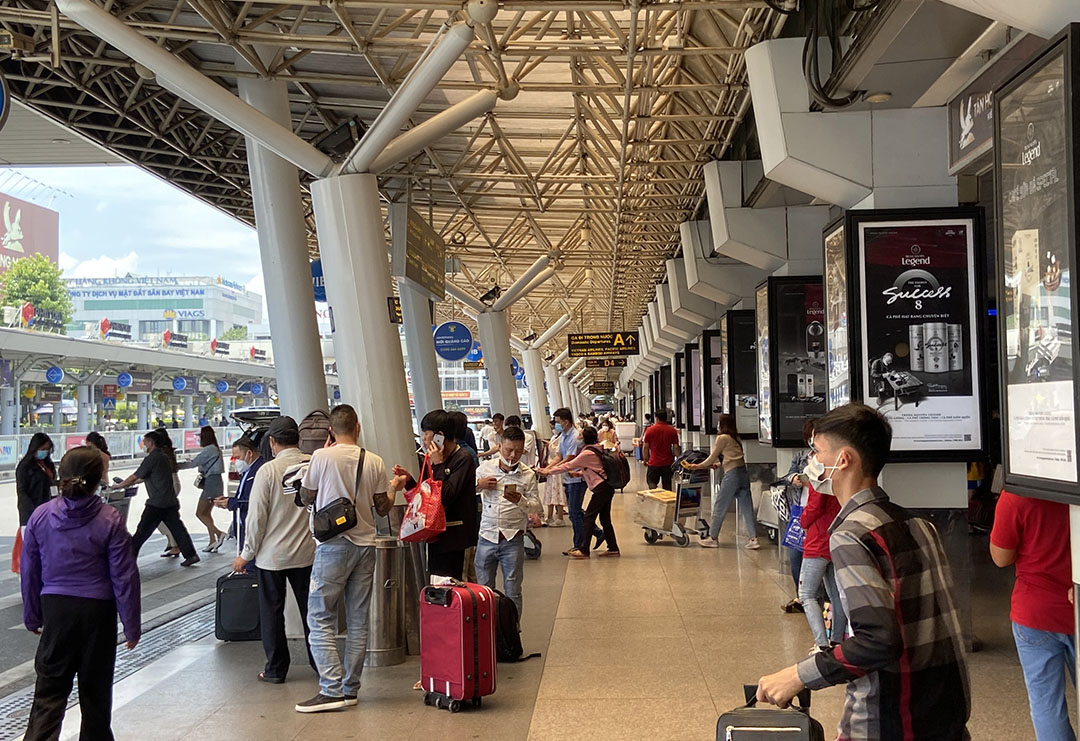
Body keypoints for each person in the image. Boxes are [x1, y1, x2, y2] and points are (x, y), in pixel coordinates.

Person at [756, 403, 970, 740]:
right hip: (944, 716)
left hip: (887, 721)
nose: (812, 461)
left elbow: (877, 640)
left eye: (817, 451)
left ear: (843, 460)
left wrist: (797, 676)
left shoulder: (852, 535)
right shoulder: (920, 525)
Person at [21, 446, 140, 740]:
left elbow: (30, 571)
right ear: (99, 477)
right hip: (97, 615)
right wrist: (131, 625)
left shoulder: (40, 516)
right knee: (95, 695)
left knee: (49, 693)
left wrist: (32, 616)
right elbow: (124, 576)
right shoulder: (110, 518)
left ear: (61, 475)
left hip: (56, 610)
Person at [296, 405, 394, 713]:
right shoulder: (374, 461)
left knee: (320, 617)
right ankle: (350, 689)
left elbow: (306, 497)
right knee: (357, 619)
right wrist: (394, 487)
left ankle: (330, 688)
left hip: (333, 546)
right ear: (358, 427)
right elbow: (382, 508)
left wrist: (324, 458)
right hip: (366, 546)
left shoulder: (321, 457)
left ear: (330, 431)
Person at [233, 416, 317, 685]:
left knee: (271, 612)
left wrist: (246, 554)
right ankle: (320, 664)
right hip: (307, 553)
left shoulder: (267, 471)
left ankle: (276, 669)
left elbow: (256, 518)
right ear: (299, 439)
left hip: (272, 557)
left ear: (271, 441)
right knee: (312, 611)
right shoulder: (314, 464)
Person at [991, 489, 1075, 740]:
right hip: (1075, 605)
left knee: (1046, 705)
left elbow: (1001, 557)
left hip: (1035, 611)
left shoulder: (1017, 493)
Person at [392, 409, 478, 579]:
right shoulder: (432, 459)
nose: (423, 438)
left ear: (439, 435)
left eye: (426, 433)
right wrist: (409, 481)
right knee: (436, 585)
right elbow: (426, 496)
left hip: (455, 538)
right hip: (435, 535)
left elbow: (445, 496)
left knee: (452, 587)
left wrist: (438, 465)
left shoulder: (463, 459)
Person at [474, 426, 541, 620]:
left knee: (513, 589)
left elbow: (536, 506)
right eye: (508, 450)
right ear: (500, 446)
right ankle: (488, 633)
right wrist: (480, 485)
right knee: (484, 591)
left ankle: (512, 633)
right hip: (487, 535)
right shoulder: (484, 468)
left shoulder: (527, 474)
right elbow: (466, 493)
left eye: (518, 451)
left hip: (513, 539)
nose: (512, 456)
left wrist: (521, 500)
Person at [113, 430, 199, 566]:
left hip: (157, 502)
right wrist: (126, 483)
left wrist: (119, 486)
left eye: (145, 442)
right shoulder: (163, 456)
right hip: (169, 501)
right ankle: (191, 555)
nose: (143, 445)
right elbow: (143, 477)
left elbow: (136, 476)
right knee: (178, 530)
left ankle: (128, 558)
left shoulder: (152, 458)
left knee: (142, 532)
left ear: (151, 443)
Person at [538, 426, 619, 559]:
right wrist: (580, 473)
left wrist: (548, 471)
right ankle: (613, 548)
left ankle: (584, 550)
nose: (578, 437)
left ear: (585, 439)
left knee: (588, 517)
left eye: (580, 435)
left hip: (601, 488)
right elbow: (596, 467)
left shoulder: (586, 453)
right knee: (604, 519)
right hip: (606, 486)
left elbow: (568, 465)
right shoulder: (596, 448)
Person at [798, 452, 847, 654]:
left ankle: (821, 643)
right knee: (836, 593)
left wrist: (802, 521)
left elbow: (814, 507)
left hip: (817, 541)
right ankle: (837, 639)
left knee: (807, 594)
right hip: (834, 538)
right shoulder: (840, 477)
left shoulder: (820, 478)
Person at [690, 413, 759, 550]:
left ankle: (713, 537)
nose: (717, 425)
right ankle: (754, 538)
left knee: (720, 505)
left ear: (723, 425)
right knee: (747, 507)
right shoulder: (735, 437)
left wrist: (697, 466)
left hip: (732, 475)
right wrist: (718, 465)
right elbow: (733, 457)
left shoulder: (722, 438)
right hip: (742, 473)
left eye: (718, 423)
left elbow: (712, 457)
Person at [548, 407, 601, 553]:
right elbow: (559, 456)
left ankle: (579, 545)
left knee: (573, 514)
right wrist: (547, 467)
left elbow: (570, 459)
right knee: (576, 511)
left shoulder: (574, 436)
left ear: (566, 422)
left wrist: (550, 470)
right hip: (568, 478)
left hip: (577, 479)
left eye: (558, 422)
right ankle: (597, 532)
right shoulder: (563, 436)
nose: (556, 424)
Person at [780, 422, 815, 613]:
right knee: (795, 556)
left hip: (817, 513)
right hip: (799, 510)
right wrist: (793, 478)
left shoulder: (827, 458)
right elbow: (788, 476)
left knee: (815, 559)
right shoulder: (802, 456)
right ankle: (801, 596)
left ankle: (814, 598)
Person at [216, 437, 265, 558]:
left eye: (238, 458)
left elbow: (254, 500)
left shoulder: (260, 471)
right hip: (242, 522)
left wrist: (231, 503)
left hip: (252, 525)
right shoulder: (247, 471)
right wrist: (228, 500)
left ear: (249, 453)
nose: (236, 462)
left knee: (251, 563)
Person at [180, 426, 227, 553]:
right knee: (207, 513)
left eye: (200, 437)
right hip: (216, 481)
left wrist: (175, 465)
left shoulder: (209, 449)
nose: (198, 439)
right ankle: (212, 541)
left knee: (200, 513)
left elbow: (193, 463)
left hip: (211, 482)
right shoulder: (215, 448)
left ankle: (219, 533)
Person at [17, 433, 57, 530]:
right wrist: (35, 511)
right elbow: (22, 492)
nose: (45, 452)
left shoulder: (49, 465)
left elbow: (53, 485)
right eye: (42, 449)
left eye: (47, 450)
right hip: (31, 512)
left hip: (49, 510)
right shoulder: (24, 467)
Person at [641, 409, 680, 491]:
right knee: (667, 485)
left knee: (651, 482)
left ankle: (655, 498)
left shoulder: (650, 430)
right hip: (668, 463)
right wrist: (679, 459)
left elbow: (645, 447)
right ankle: (666, 501)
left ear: (656, 418)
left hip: (654, 462)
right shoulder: (672, 431)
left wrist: (645, 459)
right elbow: (676, 447)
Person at [542, 419, 567, 527]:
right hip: (551, 468)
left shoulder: (563, 438)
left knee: (558, 493)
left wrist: (549, 445)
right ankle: (550, 516)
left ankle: (560, 517)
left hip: (557, 469)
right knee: (550, 493)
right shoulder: (555, 437)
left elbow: (559, 453)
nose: (553, 429)